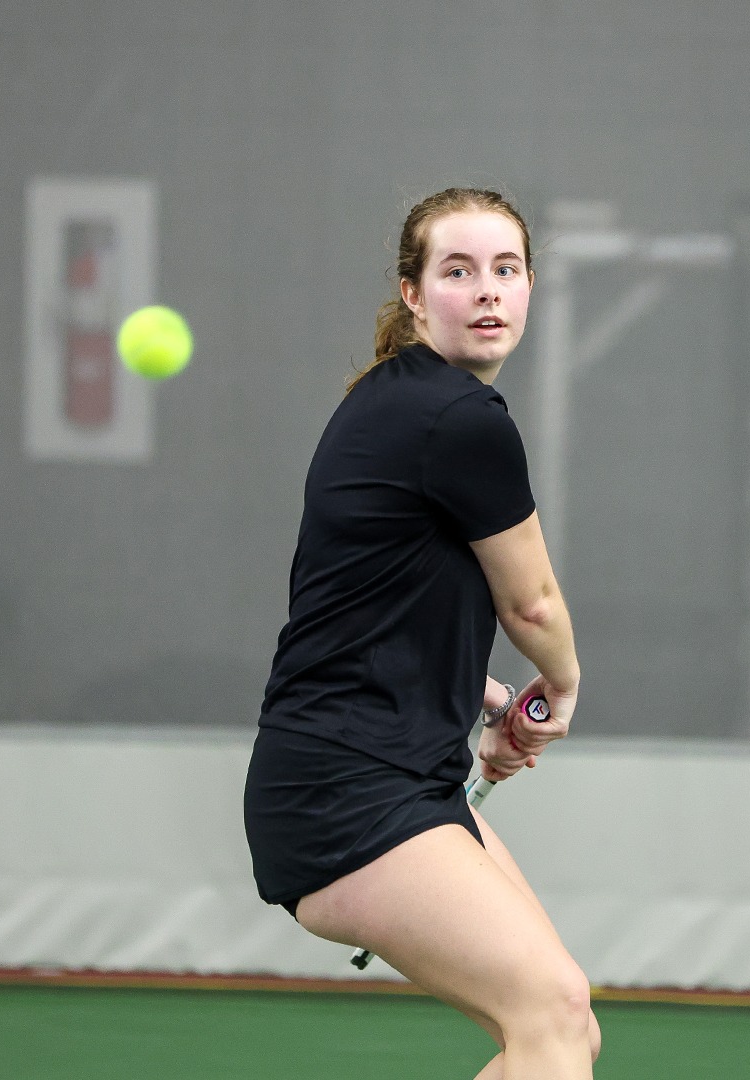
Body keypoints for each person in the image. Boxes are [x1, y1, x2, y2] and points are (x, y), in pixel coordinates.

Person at [243, 187, 597, 1079]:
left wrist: (488, 698)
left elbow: (374, 611)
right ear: (413, 294)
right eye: (458, 271)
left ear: (529, 287)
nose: (487, 290)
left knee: (565, 1026)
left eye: (506, 269)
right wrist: (559, 688)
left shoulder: (390, 401)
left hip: (389, 773)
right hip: (344, 791)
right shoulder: (458, 419)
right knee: (551, 1013)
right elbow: (532, 606)